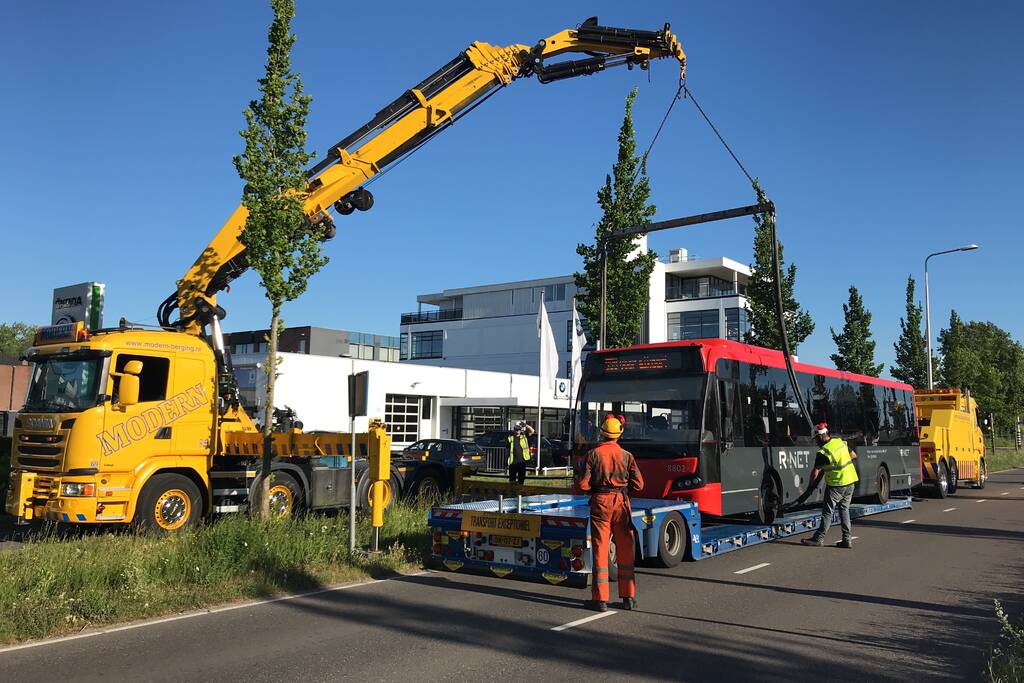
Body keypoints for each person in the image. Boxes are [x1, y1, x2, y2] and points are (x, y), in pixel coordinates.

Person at [578, 414, 644, 612]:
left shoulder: (593, 454)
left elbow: (583, 485)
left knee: (600, 549)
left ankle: (600, 600)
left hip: (600, 503)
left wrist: (594, 487)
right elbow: (639, 485)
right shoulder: (627, 456)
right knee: (625, 549)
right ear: (619, 434)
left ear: (602, 432)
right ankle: (628, 598)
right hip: (621, 503)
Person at [802, 422, 859, 549]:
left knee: (827, 513)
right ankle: (847, 540)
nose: (816, 442)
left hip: (836, 484)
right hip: (850, 482)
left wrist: (810, 487)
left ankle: (818, 538)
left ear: (820, 437)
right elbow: (854, 455)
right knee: (844, 510)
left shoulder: (823, 452)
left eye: (816, 439)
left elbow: (815, 471)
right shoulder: (840, 442)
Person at [507, 422, 534, 486]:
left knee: (521, 479)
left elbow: (532, 431)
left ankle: (520, 489)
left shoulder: (524, 436)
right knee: (512, 479)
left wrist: (526, 425)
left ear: (520, 430)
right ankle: (513, 490)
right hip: (513, 461)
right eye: (516, 430)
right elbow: (507, 449)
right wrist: (506, 460)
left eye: (519, 430)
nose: (517, 431)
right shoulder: (510, 438)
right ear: (514, 430)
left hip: (522, 461)